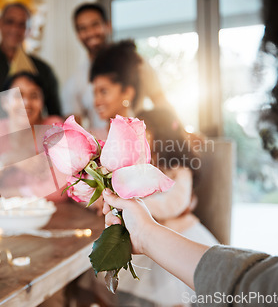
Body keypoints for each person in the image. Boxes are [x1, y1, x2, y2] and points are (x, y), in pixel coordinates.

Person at [100, 0, 278, 306]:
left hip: (183, 238)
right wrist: (142, 229)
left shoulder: (173, 169)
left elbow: (174, 201)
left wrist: (143, 215)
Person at [90, 41, 218, 306]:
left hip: (174, 234)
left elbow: (172, 200)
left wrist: (132, 203)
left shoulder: (171, 164)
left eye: (104, 91)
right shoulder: (126, 152)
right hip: (140, 229)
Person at [62, 3, 170, 130]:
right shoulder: (74, 82)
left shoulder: (137, 63)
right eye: (82, 28)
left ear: (108, 26)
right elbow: (73, 130)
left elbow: (161, 102)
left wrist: (178, 132)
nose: (90, 32)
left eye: (95, 25)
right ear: (77, 34)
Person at [0, 71, 66, 201]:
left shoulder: (53, 128)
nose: (26, 102)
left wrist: (0, 195)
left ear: (42, 102)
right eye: (18, 95)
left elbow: (59, 190)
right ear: (5, 101)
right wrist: (7, 161)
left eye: (34, 96)